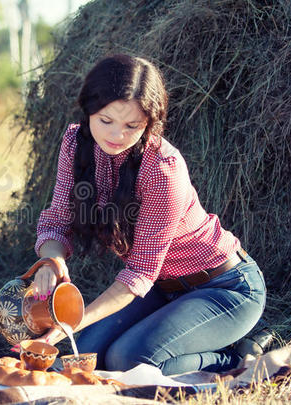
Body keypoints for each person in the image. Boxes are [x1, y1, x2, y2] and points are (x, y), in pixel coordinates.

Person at [26, 54, 266, 375]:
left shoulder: (162, 169)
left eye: (132, 126)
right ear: (89, 111)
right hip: (161, 290)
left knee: (128, 360)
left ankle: (239, 358)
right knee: (81, 359)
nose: (116, 136)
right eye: (105, 120)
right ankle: (181, 336)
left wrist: (68, 325)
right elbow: (57, 221)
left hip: (224, 288)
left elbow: (139, 272)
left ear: (150, 122)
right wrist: (52, 262)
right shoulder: (74, 142)